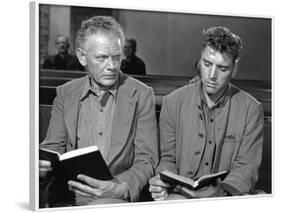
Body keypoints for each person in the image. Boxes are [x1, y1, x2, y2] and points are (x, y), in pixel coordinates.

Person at [39, 16, 158, 207]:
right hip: (68, 195)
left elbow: (147, 159)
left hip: (114, 196)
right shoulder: (65, 93)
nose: (111, 66)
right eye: (102, 58)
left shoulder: (141, 94)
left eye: (117, 57)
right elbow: (54, 147)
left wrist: (121, 187)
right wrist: (42, 165)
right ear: (82, 57)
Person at [149, 26, 264, 200]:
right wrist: (165, 183)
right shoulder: (172, 102)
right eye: (207, 64)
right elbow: (167, 158)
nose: (211, 75)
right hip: (181, 193)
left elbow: (247, 167)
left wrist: (219, 194)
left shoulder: (251, 109)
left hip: (227, 196)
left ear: (234, 69)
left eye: (222, 68)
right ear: (200, 62)